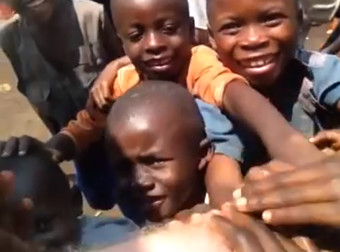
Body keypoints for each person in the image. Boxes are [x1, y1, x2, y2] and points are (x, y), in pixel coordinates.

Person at [205, 0, 340, 173]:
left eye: (271, 20)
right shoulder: (215, 101)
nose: (253, 40)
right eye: (232, 27)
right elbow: (223, 179)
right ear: (212, 38)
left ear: (299, 20)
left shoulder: (319, 71)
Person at [0, 0, 123, 135]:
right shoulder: (10, 41)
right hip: (73, 146)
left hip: (121, 134)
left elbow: (136, 67)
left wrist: (114, 66)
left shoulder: (93, 15)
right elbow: (38, 106)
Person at [0, 148, 138, 251]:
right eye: (17, 231)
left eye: (42, 226)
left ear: (75, 202)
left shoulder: (114, 237)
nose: (35, 243)